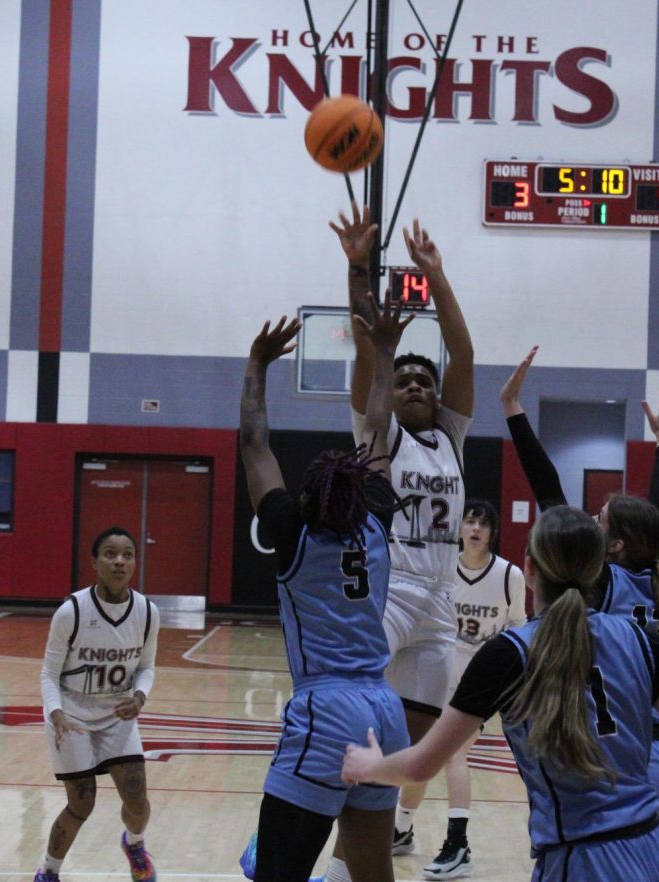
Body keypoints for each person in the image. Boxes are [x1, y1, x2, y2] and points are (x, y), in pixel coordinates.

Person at [341, 505, 659, 882]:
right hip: (656, 856)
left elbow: (423, 763)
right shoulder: (645, 640)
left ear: (529, 569)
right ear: (599, 569)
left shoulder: (508, 655)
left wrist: (369, 767)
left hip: (578, 861)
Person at [238, 299, 413, 882]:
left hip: (326, 708)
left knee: (276, 874)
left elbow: (255, 446)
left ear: (312, 494)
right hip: (383, 711)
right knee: (372, 873)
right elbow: (379, 438)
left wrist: (258, 366)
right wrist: (383, 360)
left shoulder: (293, 529)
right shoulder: (378, 522)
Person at [326, 201, 475, 874]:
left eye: (424, 379)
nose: (414, 384)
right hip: (388, 595)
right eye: (405, 377)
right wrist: (357, 269)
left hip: (441, 606)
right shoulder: (378, 432)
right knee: (345, 723)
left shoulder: (450, 437)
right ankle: (322, 839)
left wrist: (436, 277)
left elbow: (464, 351)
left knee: (411, 750)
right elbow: (366, 349)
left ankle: (373, 836)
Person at [500, 346, 659, 841]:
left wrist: (513, 411)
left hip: (635, 756)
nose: (588, 520)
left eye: (599, 520)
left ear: (614, 544)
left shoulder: (600, 581)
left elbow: (549, 494)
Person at [33, 526, 159, 882]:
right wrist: (55, 713)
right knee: (81, 803)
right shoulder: (71, 611)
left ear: (135, 562)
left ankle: (134, 844)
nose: (119, 561)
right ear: (94, 562)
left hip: (117, 714)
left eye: (127, 555)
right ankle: (48, 871)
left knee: (137, 802)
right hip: (72, 715)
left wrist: (139, 697)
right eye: (110, 554)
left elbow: (147, 666)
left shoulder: (147, 612)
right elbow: (48, 673)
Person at [422, 499, 526, 879]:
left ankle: (458, 844)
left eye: (483, 523)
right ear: (460, 529)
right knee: (420, 752)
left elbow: (519, 625)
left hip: (484, 679)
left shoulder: (509, 575)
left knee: (452, 753)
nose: (476, 528)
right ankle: (401, 826)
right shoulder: (443, 567)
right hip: (438, 672)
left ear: (492, 533)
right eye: (470, 521)